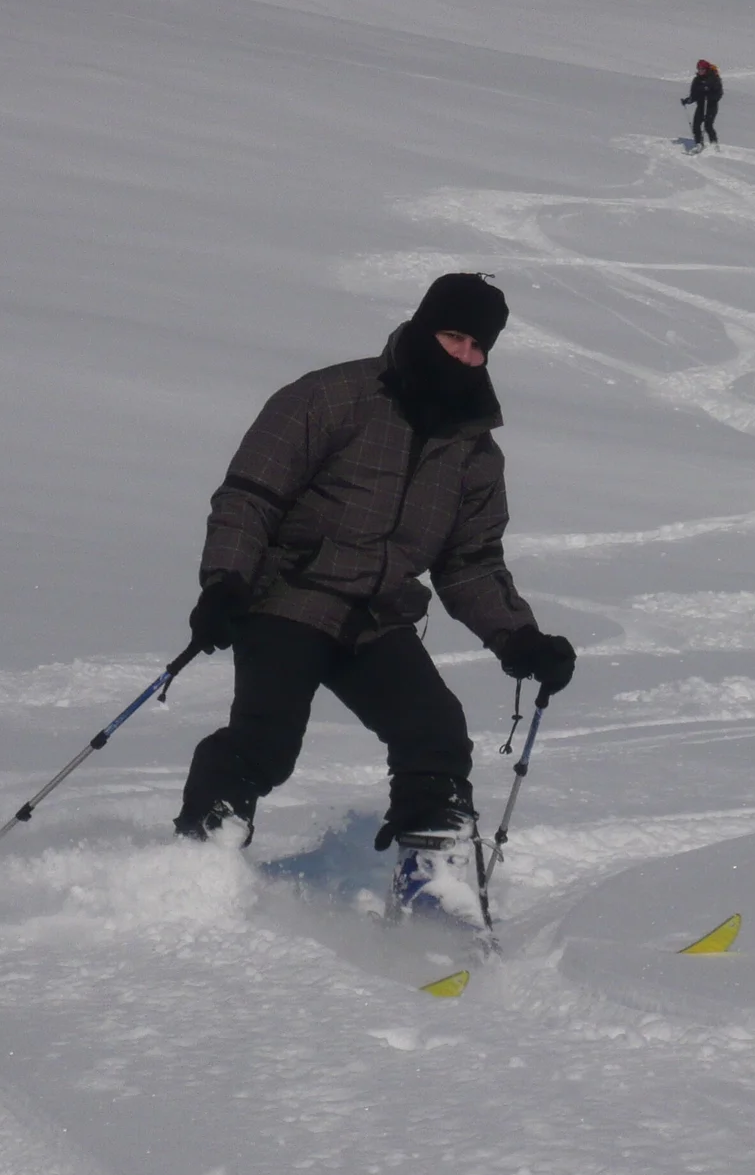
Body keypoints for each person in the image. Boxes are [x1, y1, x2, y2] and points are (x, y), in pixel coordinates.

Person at [174, 273, 577, 913]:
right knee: (266, 742)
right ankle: (195, 863)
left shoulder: (474, 452)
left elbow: (469, 562)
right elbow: (250, 497)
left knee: (436, 734)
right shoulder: (333, 397)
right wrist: (225, 581)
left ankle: (433, 896)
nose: (464, 356)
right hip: (290, 597)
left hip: (377, 618)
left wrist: (519, 637)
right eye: (453, 336)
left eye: (478, 346)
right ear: (423, 327)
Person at [681, 59, 722, 152]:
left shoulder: (714, 78)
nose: (700, 71)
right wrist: (688, 100)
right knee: (696, 125)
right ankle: (699, 143)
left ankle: (714, 144)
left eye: (702, 69)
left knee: (708, 125)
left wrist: (710, 96)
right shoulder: (696, 80)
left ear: (706, 69)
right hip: (701, 106)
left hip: (711, 106)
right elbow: (694, 94)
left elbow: (719, 93)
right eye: (699, 69)